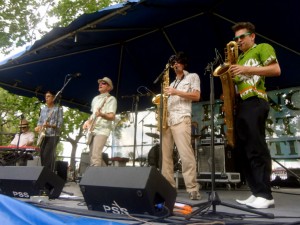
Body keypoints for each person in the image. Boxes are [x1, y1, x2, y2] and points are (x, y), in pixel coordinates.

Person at [229, 22, 281, 209]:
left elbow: (276, 70)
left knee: (256, 147)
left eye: (242, 36)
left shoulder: (263, 48)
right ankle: (256, 191)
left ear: (253, 36)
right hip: (242, 105)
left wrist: (246, 70)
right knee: (243, 150)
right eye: (236, 38)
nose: (239, 41)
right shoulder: (239, 59)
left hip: (256, 101)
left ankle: (266, 195)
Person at [162, 52, 201, 200]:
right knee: (166, 157)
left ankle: (192, 188)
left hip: (182, 119)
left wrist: (175, 92)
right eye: (173, 63)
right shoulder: (171, 83)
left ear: (183, 63)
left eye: (177, 62)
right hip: (168, 121)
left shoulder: (193, 77)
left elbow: (196, 96)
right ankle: (168, 187)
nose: (175, 64)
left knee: (186, 155)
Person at [83, 77, 117, 167]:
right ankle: (107, 176)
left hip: (103, 130)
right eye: (100, 83)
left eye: (104, 83)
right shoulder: (95, 99)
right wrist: (87, 122)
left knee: (95, 156)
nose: (100, 84)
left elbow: (112, 116)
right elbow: (93, 115)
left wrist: (102, 115)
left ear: (109, 87)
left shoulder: (111, 99)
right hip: (93, 129)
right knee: (92, 156)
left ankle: (94, 180)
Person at [35, 91, 63, 171]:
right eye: (46, 96)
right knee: (42, 155)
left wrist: (49, 125)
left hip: (53, 136)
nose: (46, 98)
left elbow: (59, 124)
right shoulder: (43, 109)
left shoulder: (58, 109)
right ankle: (45, 172)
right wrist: (38, 127)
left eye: (48, 96)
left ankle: (47, 174)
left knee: (47, 155)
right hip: (43, 135)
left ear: (53, 98)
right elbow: (40, 122)